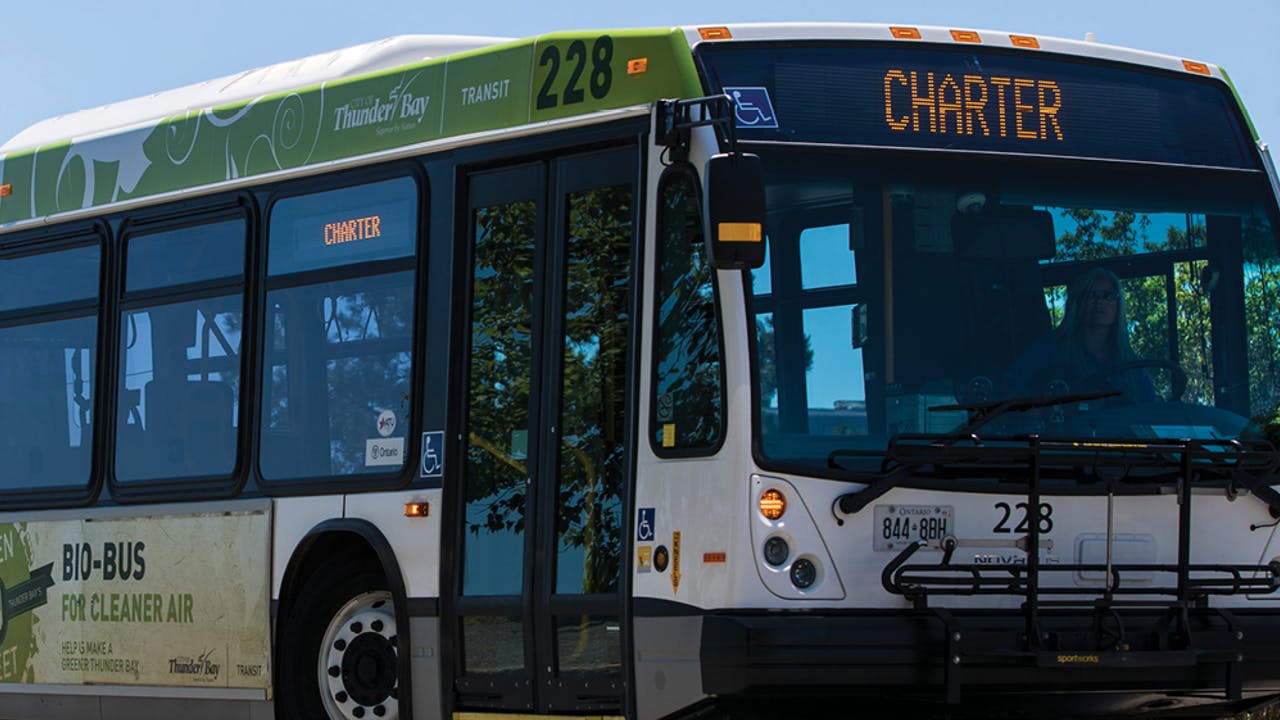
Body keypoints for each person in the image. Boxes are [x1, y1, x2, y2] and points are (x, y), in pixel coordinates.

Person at [1005, 267, 1157, 403]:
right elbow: (1011, 389)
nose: (1099, 302)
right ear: (1076, 303)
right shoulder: (1049, 349)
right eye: (1090, 295)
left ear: (1119, 305)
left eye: (1108, 295)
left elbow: (1152, 413)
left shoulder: (1131, 364)